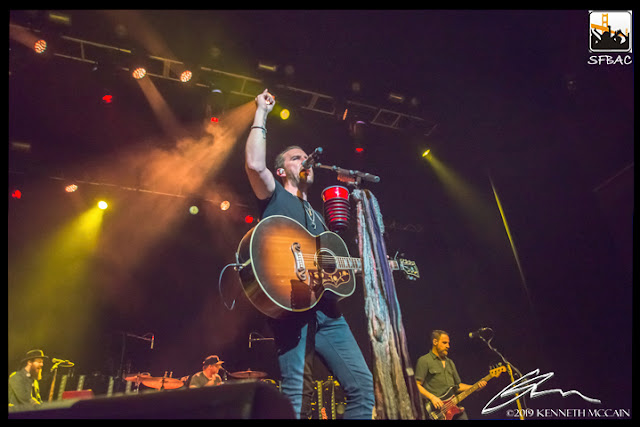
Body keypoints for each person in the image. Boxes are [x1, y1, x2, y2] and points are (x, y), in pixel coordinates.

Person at [244, 89, 375, 419]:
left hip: (329, 313)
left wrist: (375, 266)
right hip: (292, 304)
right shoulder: (274, 198)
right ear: (282, 171)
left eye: (306, 157)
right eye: (295, 158)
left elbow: (332, 270)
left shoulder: (318, 216)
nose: (304, 161)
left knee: (363, 388)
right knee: (297, 394)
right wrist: (261, 113)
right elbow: (253, 164)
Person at [414, 330, 486, 420]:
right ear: (435, 342)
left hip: (455, 408)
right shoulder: (424, 361)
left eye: (448, 343)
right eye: (444, 343)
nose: (448, 346)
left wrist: (474, 387)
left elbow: (457, 386)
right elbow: (416, 385)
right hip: (438, 411)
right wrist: (432, 397)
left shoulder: (450, 363)